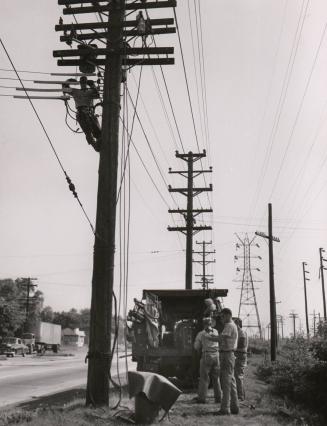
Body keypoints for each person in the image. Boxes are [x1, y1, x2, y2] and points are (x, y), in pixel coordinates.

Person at [208, 307, 239, 415]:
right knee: (232, 382)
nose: (222, 318)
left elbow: (221, 338)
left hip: (226, 355)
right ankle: (235, 407)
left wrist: (210, 338)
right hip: (229, 354)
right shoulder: (233, 325)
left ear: (228, 315)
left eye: (223, 316)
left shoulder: (229, 325)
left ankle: (225, 409)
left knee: (225, 383)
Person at [63, 76, 101, 152]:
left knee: (98, 132)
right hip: (81, 113)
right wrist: (68, 81)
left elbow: (97, 95)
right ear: (80, 83)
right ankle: (95, 146)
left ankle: (100, 144)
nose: (83, 84)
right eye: (82, 82)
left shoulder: (90, 91)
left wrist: (92, 86)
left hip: (90, 113)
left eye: (84, 82)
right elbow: (64, 88)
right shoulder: (75, 91)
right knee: (88, 132)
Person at [193, 317, 222, 404]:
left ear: (204, 324)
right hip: (216, 355)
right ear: (211, 324)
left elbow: (196, 347)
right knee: (216, 378)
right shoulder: (216, 331)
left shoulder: (201, 334)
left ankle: (201, 398)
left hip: (207, 355)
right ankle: (218, 398)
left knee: (204, 378)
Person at [234, 318, 248, 401]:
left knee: (238, 376)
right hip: (240, 354)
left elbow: (241, 345)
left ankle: (241, 396)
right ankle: (240, 395)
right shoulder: (240, 332)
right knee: (237, 375)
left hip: (240, 355)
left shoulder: (241, 332)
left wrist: (232, 348)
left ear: (238, 324)